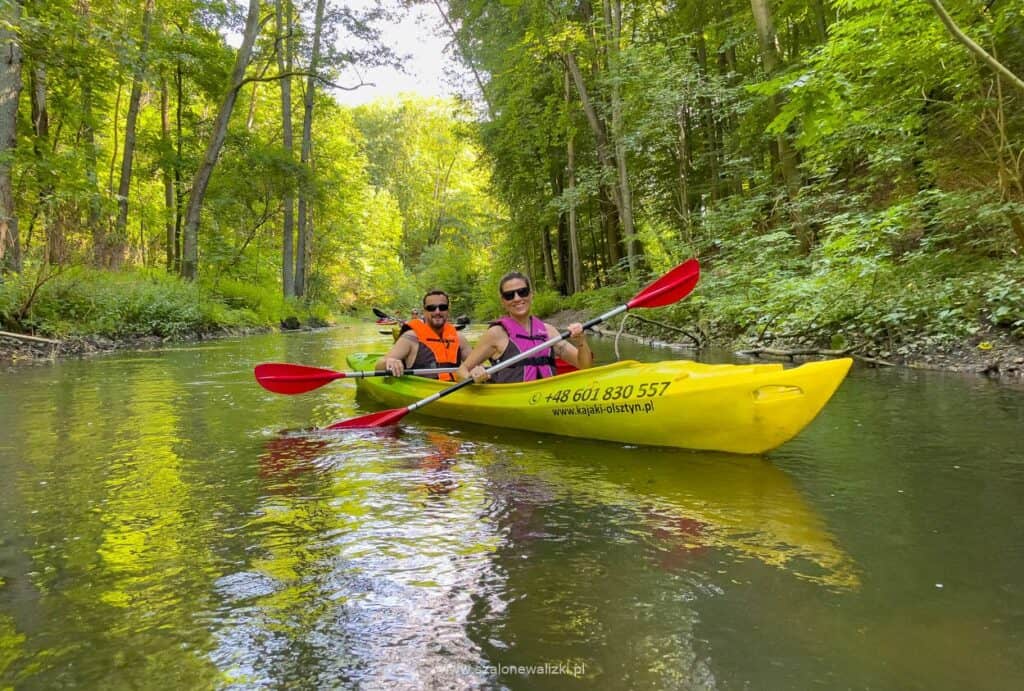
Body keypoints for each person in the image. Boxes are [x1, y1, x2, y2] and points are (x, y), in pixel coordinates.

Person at [457, 272, 593, 383]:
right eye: (509, 295)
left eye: (522, 292)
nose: (517, 298)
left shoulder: (548, 331)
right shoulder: (496, 333)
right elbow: (461, 371)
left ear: (531, 294)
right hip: (512, 400)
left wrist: (581, 341)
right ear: (503, 301)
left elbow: (584, 365)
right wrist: (472, 376)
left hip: (549, 397)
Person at [376, 290, 471, 381]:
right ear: (424, 311)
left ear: (448, 311)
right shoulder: (411, 338)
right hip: (422, 390)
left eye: (442, 307)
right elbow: (379, 366)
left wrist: (478, 370)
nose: (437, 312)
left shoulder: (459, 338)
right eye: (431, 308)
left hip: (457, 389)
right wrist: (389, 362)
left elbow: (476, 364)